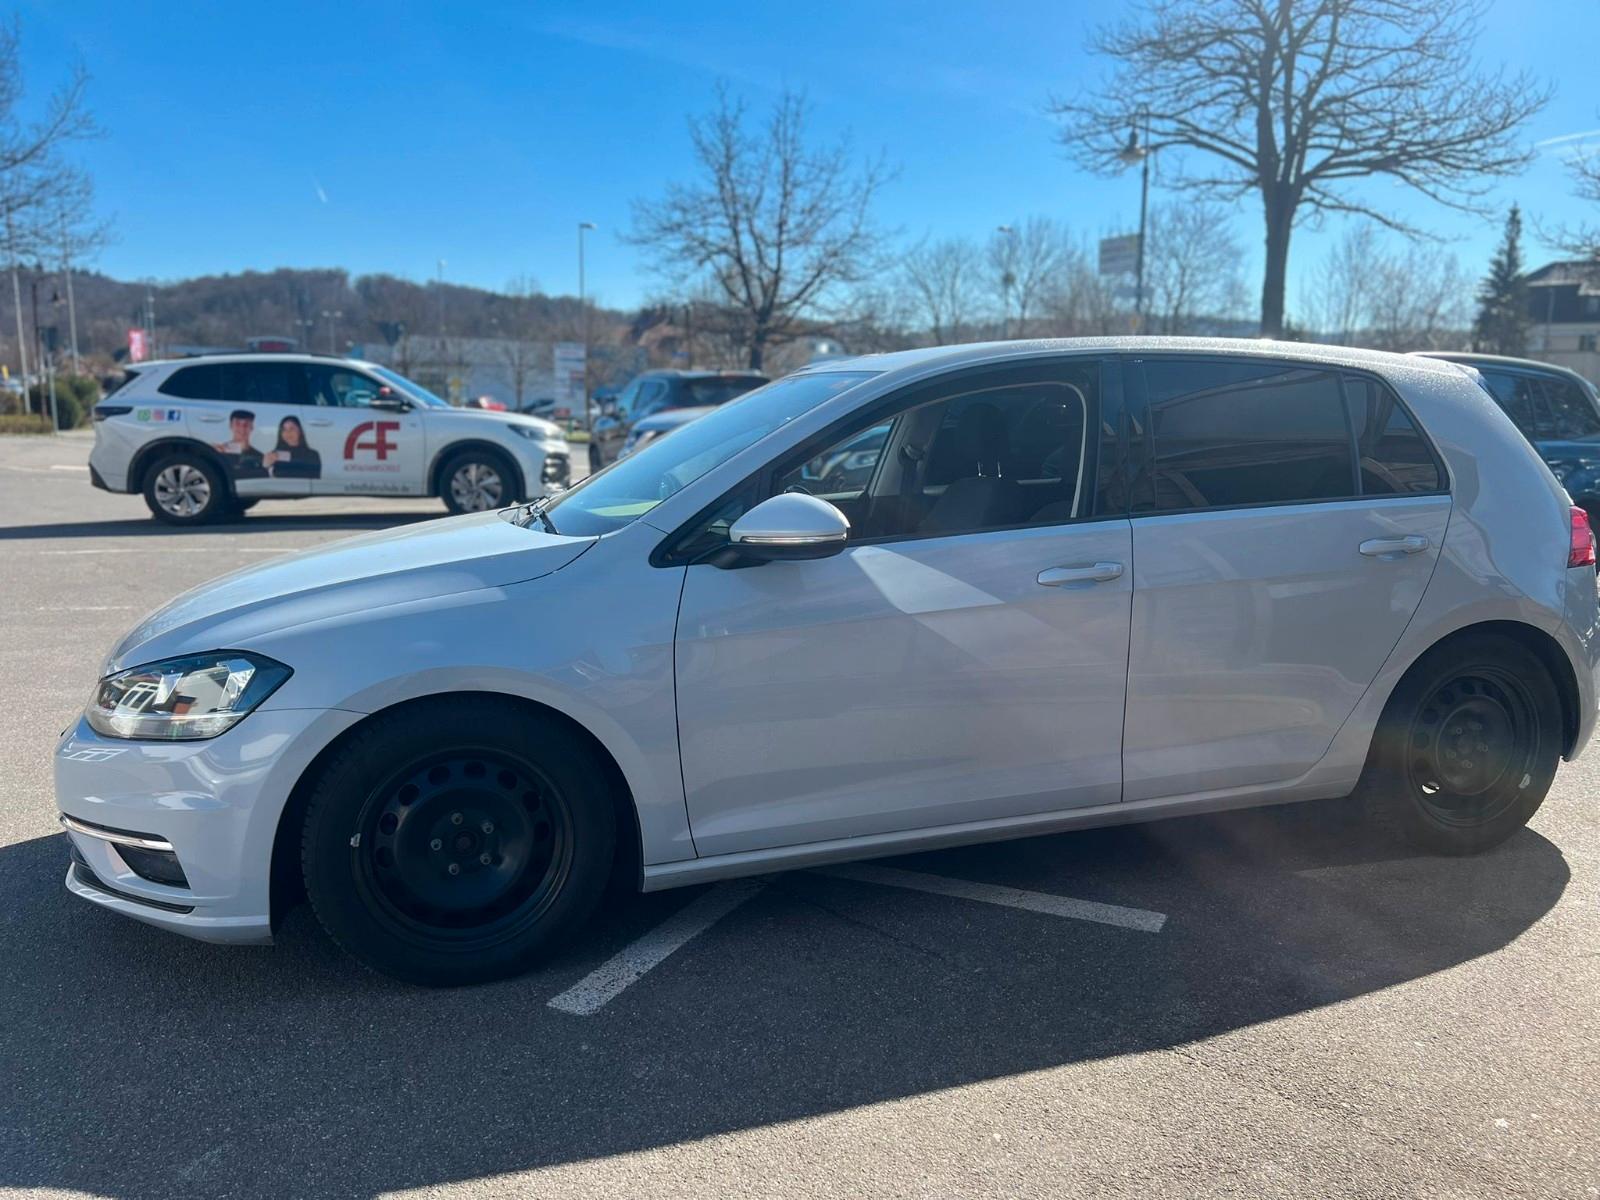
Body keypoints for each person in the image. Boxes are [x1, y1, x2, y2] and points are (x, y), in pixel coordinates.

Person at [263, 414, 322, 479]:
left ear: (300, 431)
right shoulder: (274, 455)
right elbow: (267, 480)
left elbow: (314, 478)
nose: (288, 433)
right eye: (284, 429)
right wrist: (266, 466)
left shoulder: (312, 455)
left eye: (292, 428)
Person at [214, 409, 266, 478]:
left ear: (252, 427)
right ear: (230, 426)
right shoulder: (219, 452)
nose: (242, 428)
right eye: (237, 424)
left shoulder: (259, 457)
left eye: (246, 424)